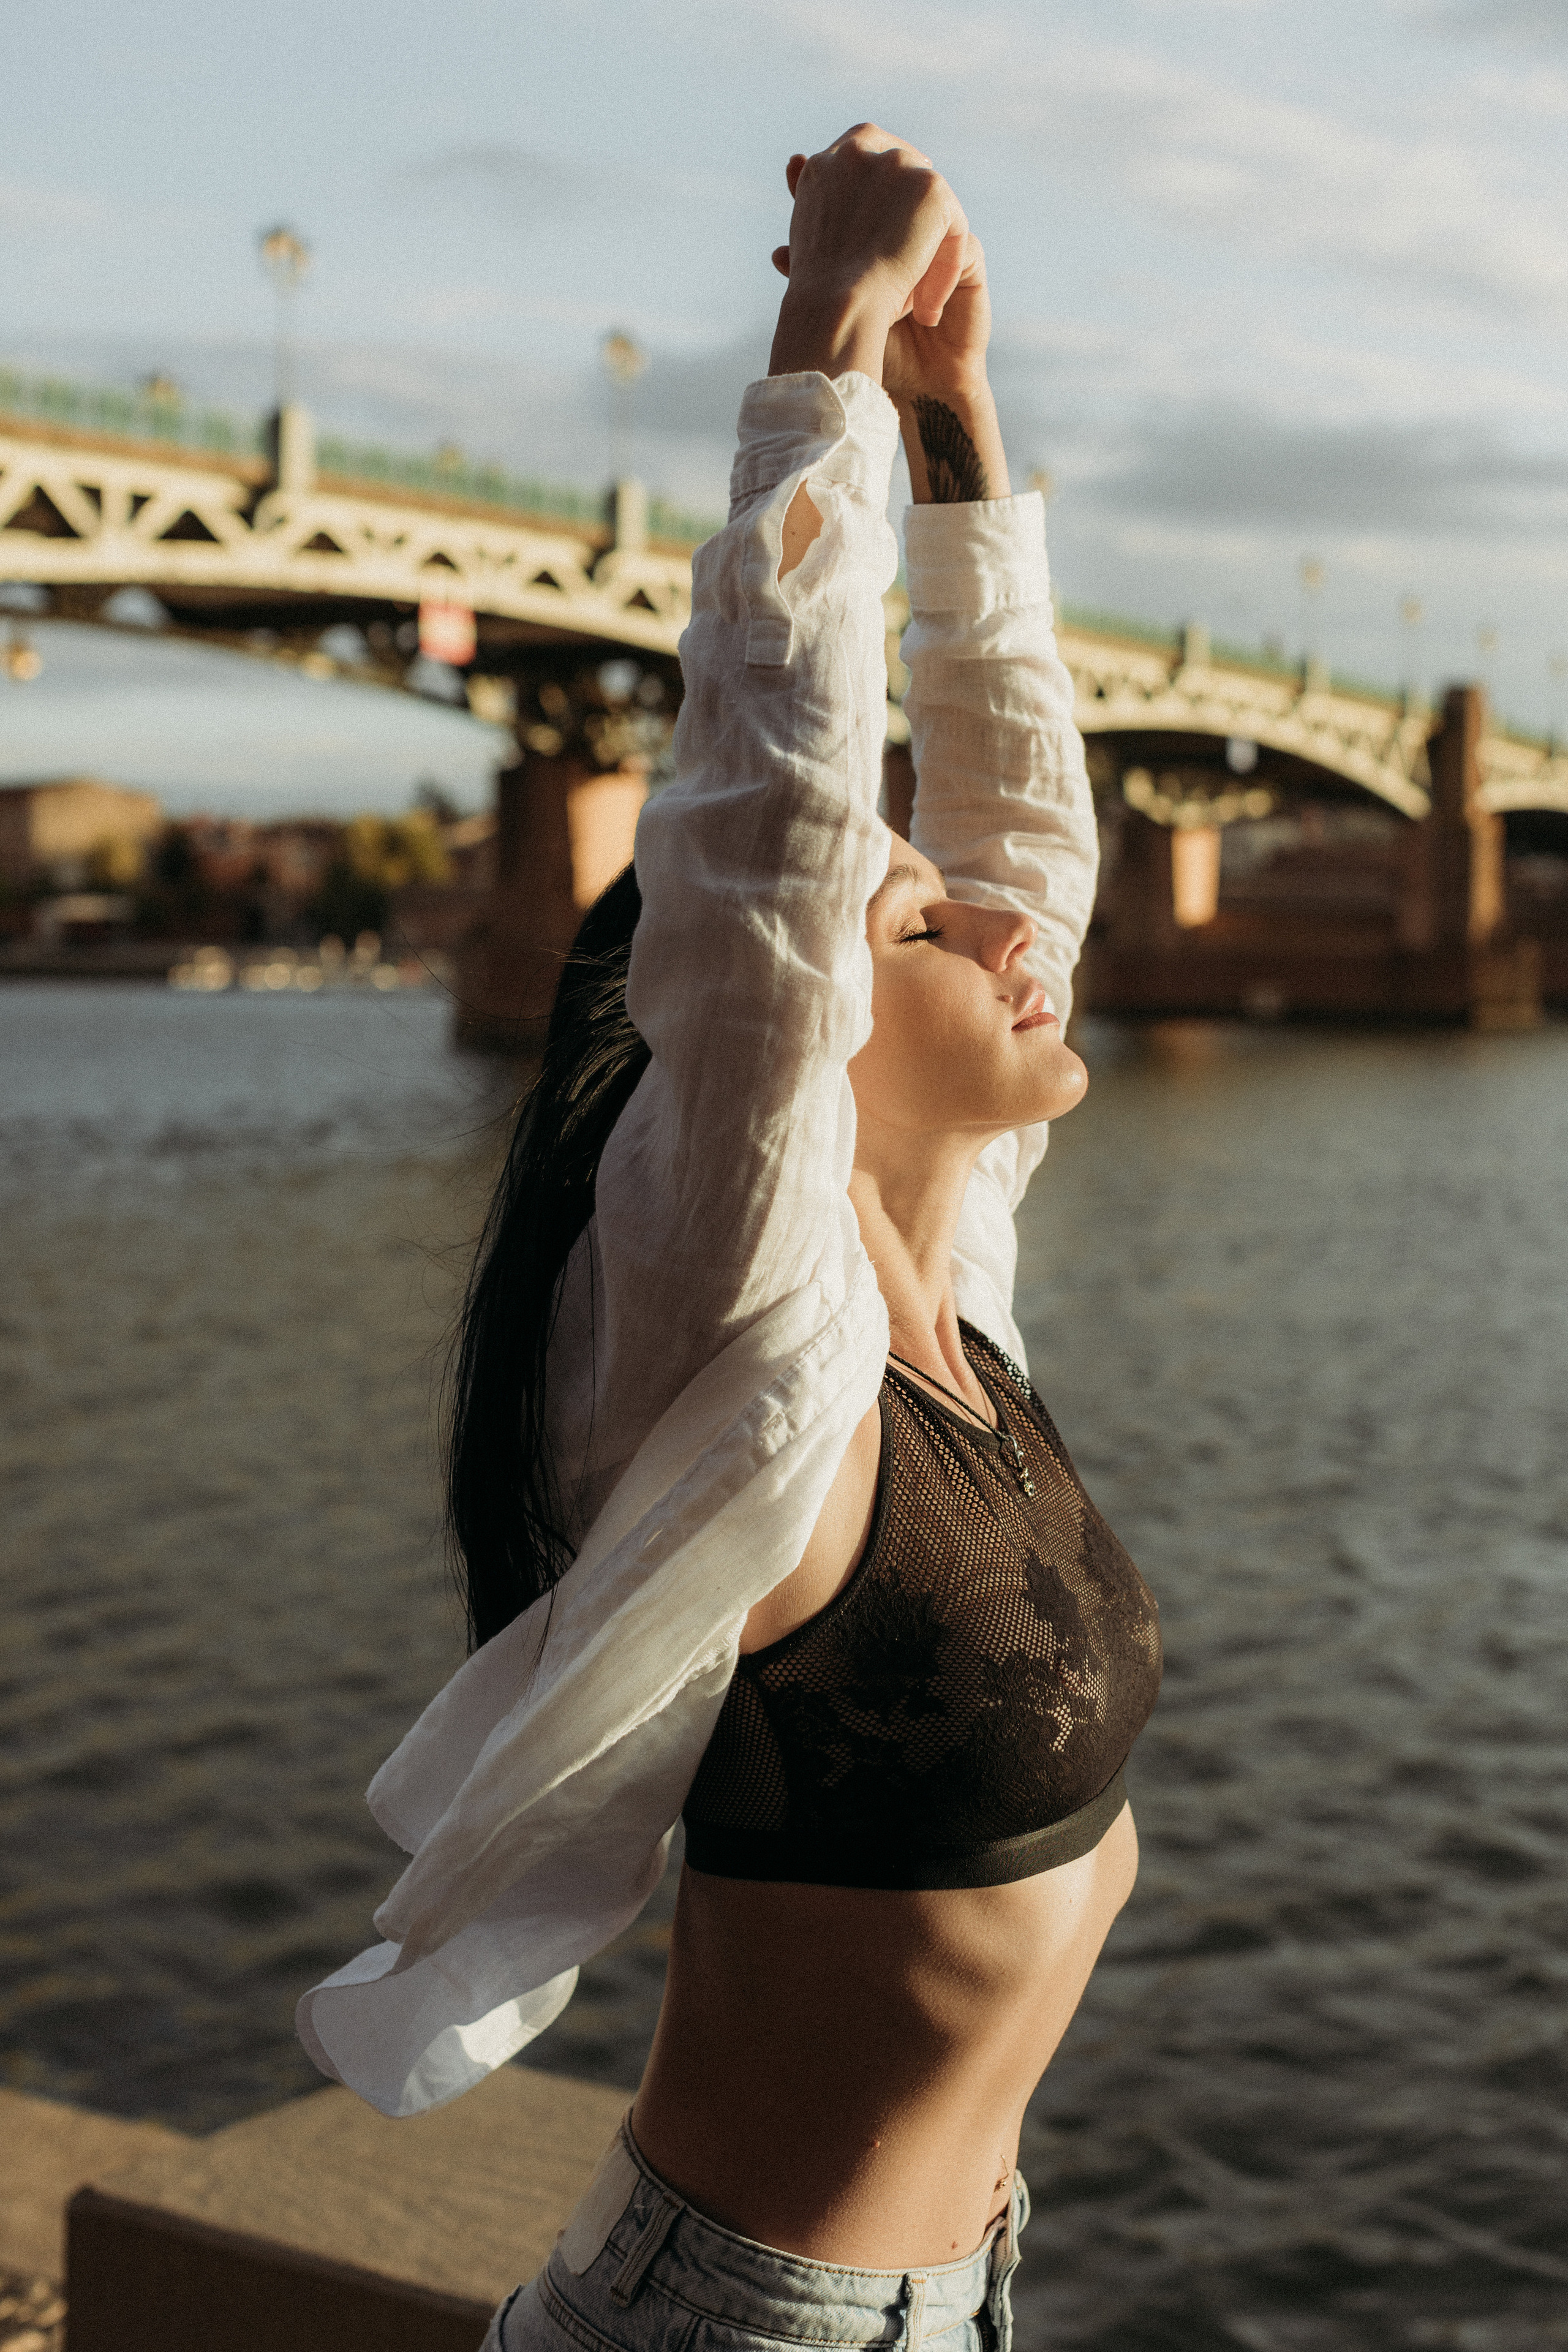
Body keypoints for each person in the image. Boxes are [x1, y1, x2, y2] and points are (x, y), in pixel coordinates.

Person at [298, 122, 1161, 2352]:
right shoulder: (754, 1362)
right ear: (812, 1019)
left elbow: (1018, 855)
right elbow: (768, 839)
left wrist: (963, 435)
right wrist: (819, 360)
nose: (1001, 926)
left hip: (949, 2298)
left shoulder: (945, 1304)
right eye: (917, 923)